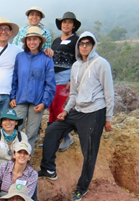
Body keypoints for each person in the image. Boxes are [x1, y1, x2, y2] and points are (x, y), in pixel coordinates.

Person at [39, 32, 114, 201]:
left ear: (93, 45)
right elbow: (73, 93)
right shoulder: (76, 66)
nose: (84, 46)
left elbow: (109, 93)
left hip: (95, 112)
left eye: (88, 43)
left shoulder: (101, 64)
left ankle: (82, 188)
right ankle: (47, 168)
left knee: (89, 152)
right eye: (82, 44)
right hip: (77, 110)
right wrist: (66, 110)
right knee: (52, 130)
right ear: (78, 47)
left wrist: (108, 118)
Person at [10, 26, 56, 152]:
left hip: (37, 102)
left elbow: (50, 84)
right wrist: (12, 96)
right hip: (20, 100)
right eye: (29, 39)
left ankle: (26, 162)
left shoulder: (47, 59)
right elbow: (15, 79)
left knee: (31, 133)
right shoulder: (20, 57)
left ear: (40, 41)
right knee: (16, 131)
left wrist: (44, 103)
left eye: (35, 39)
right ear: (25, 41)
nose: (32, 42)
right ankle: (13, 161)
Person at [48, 12, 81, 152]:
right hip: (52, 76)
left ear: (73, 25)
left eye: (69, 22)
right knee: (50, 107)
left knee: (57, 106)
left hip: (65, 76)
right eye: (64, 22)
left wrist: (71, 79)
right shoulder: (56, 41)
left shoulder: (77, 40)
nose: (66, 24)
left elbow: (79, 60)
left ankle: (67, 135)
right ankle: (51, 139)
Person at [0, 108, 29, 182]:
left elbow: (25, 158)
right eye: (5, 120)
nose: (8, 122)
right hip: (0, 172)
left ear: (16, 122)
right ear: (1, 123)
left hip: (17, 171)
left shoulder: (22, 136)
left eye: (11, 119)